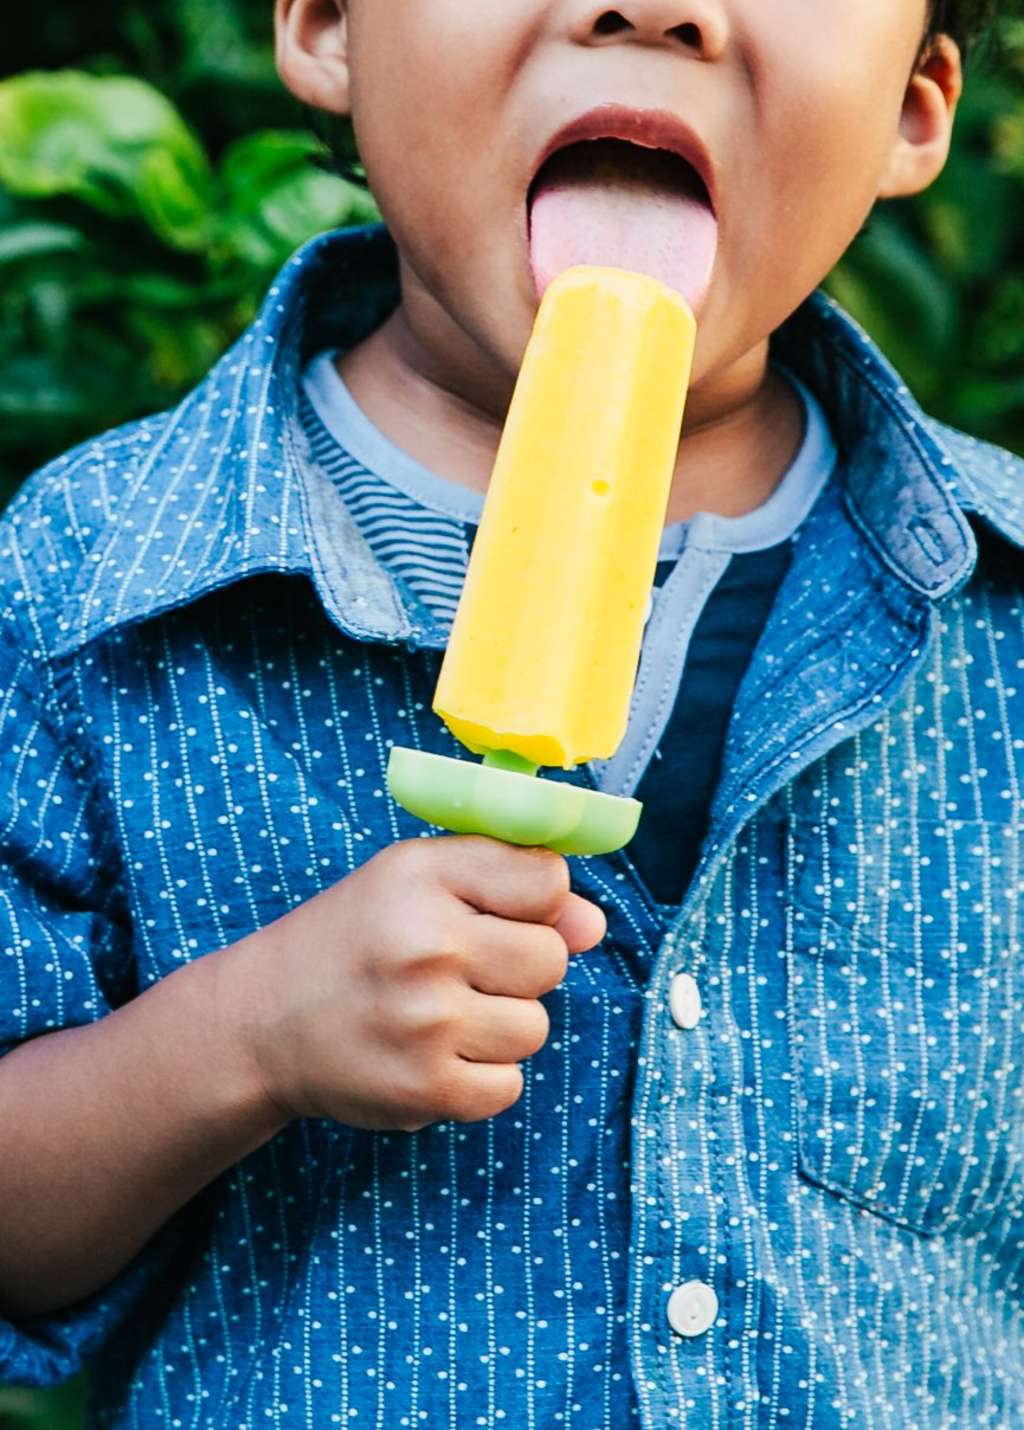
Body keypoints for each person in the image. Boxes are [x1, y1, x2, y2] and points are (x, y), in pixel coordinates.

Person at [1, 1, 1022, 1424]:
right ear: (324, 27)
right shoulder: (84, 581)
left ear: (918, 107)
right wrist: (237, 1041)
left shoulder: (1007, 627)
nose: (655, 4)